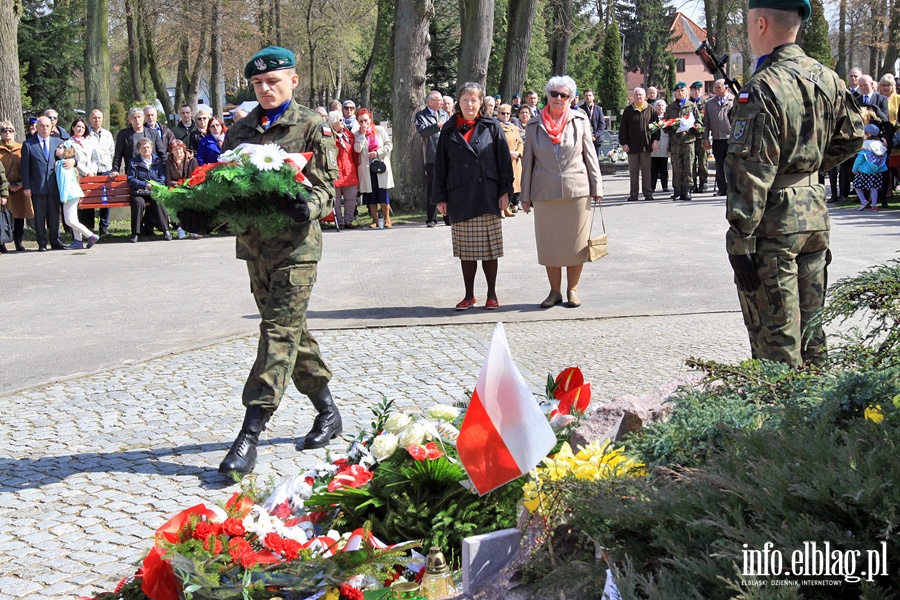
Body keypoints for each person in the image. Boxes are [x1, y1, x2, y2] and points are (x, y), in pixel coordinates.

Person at [217, 46, 341, 476]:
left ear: (293, 80)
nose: (266, 89)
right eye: (257, 84)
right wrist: (207, 210)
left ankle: (249, 433)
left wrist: (305, 207)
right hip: (255, 249)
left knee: (276, 334)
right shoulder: (240, 132)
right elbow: (227, 186)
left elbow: (327, 187)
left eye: (274, 81)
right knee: (292, 335)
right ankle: (328, 410)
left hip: (297, 249)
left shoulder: (312, 126)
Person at [725, 0, 863, 367]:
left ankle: (780, 419)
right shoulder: (827, 78)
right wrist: (809, 170)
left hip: (774, 226)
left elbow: (750, 171)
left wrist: (739, 238)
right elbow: (852, 136)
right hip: (814, 215)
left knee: (777, 343)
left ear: (761, 24)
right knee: (812, 333)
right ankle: (820, 418)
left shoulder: (761, 87)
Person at [521, 75, 603, 309]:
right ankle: (554, 291)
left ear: (571, 98)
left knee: (576, 244)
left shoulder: (580, 120)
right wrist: (524, 195)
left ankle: (572, 289)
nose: (558, 98)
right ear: (547, 96)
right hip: (545, 192)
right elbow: (528, 162)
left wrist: (597, 187)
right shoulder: (534, 124)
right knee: (551, 244)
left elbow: (590, 156)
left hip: (577, 191)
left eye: (563, 95)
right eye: (553, 94)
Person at [432, 81, 513, 310]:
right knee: (466, 251)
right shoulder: (448, 129)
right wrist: (440, 197)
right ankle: (469, 295)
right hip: (460, 195)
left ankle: (492, 294)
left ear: (481, 103)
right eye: (465, 99)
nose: (469, 104)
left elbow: (503, 161)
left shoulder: (491, 126)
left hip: (487, 194)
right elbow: (440, 166)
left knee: (489, 250)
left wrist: (505, 191)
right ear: (458, 102)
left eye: (474, 99)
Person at [21, 116, 70, 251]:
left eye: (47, 126)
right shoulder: (29, 144)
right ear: (36, 127)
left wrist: (72, 161)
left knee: (54, 216)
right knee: (40, 217)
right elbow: (25, 168)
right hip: (37, 187)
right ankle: (42, 243)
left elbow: (69, 158)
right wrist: (27, 187)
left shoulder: (58, 142)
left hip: (54, 185)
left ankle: (55, 241)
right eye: (42, 126)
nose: (45, 128)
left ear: (51, 127)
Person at [354, 108, 394, 228]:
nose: (363, 123)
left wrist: (377, 153)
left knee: (383, 193)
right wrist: (362, 135)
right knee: (370, 194)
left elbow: (388, 145)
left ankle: (387, 219)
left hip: (380, 165)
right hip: (367, 168)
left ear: (370, 119)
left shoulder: (379, 130)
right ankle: (375, 220)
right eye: (360, 121)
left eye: (365, 120)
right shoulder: (357, 134)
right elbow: (357, 149)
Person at [416, 90, 450, 227]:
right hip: (432, 156)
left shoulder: (444, 114)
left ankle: (448, 217)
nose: (442, 103)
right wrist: (437, 126)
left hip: (447, 156)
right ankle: (431, 218)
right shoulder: (421, 115)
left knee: (448, 186)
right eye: (439, 100)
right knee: (432, 187)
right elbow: (423, 131)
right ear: (431, 102)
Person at [55, 141, 98, 250]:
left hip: (69, 194)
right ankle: (78, 241)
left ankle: (90, 235)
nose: (56, 149)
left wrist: (63, 197)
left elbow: (64, 182)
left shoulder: (62, 164)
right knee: (74, 218)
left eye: (59, 147)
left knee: (69, 220)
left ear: (65, 151)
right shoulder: (64, 163)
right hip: (74, 193)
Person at [664, 81, 702, 201]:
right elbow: (665, 124)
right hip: (675, 142)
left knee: (689, 166)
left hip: (688, 141)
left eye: (682, 91)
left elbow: (699, 122)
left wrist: (694, 127)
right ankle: (677, 190)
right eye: (678, 91)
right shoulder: (670, 108)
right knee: (676, 166)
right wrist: (670, 126)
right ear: (675, 93)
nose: (680, 93)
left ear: (686, 92)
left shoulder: (692, 106)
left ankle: (687, 190)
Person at [127, 137, 170, 242]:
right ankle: (135, 233)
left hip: (154, 191)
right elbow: (131, 179)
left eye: (148, 147)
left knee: (158, 201)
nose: (146, 150)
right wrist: (145, 184)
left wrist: (155, 185)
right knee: (138, 203)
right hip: (139, 192)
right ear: (139, 150)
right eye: (143, 148)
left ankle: (165, 230)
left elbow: (162, 177)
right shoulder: (134, 162)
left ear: (152, 148)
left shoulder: (158, 161)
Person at [619, 87, 656, 201]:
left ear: (645, 97)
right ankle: (634, 194)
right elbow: (623, 129)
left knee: (646, 170)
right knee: (633, 171)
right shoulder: (628, 110)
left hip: (646, 144)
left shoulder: (651, 109)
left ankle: (648, 193)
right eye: (636, 95)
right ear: (633, 97)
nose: (639, 97)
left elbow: (656, 127)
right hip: (632, 146)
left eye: (641, 95)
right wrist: (624, 143)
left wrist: (655, 141)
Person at [82, 109, 116, 234]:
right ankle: (89, 228)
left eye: (99, 118)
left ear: (103, 119)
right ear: (90, 119)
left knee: (105, 201)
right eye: (94, 118)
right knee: (89, 201)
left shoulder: (108, 134)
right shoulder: (86, 135)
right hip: (92, 172)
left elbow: (111, 152)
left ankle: (104, 227)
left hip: (106, 170)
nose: (97, 120)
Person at [327, 110, 360, 228]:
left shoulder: (349, 136)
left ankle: (349, 221)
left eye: (343, 120)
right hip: (335, 172)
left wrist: (357, 170)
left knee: (351, 198)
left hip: (349, 171)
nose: (343, 122)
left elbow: (355, 155)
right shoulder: (328, 136)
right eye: (340, 120)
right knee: (335, 199)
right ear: (333, 123)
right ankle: (339, 222)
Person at [0, 121, 30, 251]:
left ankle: (19, 241)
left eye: (10, 130)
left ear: (14, 132)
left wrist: (22, 184)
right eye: (4, 130)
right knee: (3, 216)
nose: (7, 133)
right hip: (3, 187)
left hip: (19, 187)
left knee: (19, 216)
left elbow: (27, 167)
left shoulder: (21, 148)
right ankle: (2, 242)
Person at [112, 107, 166, 174]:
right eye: (134, 118)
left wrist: (165, 168)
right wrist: (115, 169)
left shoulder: (153, 133)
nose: (137, 120)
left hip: (152, 171)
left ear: (143, 118)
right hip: (133, 171)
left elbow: (162, 152)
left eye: (139, 117)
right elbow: (118, 154)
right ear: (130, 120)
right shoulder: (124, 134)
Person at [164, 139, 200, 239]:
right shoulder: (168, 162)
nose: (178, 152)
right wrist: (178, 185)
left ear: (184, 149)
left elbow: (195, 177)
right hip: (175, 188)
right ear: (171, 151)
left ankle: (194, 229)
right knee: (175, 201)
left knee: (192, 201)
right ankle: (180, 228)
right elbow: (168, 180)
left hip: (190, 187)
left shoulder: (192, 160)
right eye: (175, 149)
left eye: (180, 149)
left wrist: (185, 184)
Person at [703, 79, 733, 196]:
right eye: (715, 88)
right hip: (717, 139)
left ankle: (733, 188)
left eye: (719, 87)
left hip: (731, 139)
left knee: (732, 165)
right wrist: (706, 139)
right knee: (719, 165)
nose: (716, 90)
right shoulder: (710, 103)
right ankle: (722, 189)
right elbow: (706, 123)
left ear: (726, 88)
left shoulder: (734, 101)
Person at [852, 124, 888, 211]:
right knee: (874, 187)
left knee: (857, 186)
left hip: (864, 170)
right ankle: (874, 205)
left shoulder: (865, 144)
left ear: (869, 134)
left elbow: (860, 158)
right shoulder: (880, 144)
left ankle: (863, 201)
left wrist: (854, 169)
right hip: (877, 171)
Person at [497, 103, 523, 215]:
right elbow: (496, 143)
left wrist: (518, 152)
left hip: (515, 160)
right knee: (503, 184)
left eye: (508, 113)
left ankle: (508, 207)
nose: (506, 115)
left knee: (514, 185)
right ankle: (501, 208)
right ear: (498, 114)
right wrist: (507, 153)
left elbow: (520, 142)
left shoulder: (513, 127)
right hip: (503, 159)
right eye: (503, 113)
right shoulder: (496, 126)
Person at [689, 81, 710, 193]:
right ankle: (692, 183)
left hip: (702, 135)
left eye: (699, 89)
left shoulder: (706, 103)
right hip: (690, 136)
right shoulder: (687, 104)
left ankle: (703, 182)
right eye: (694, 89)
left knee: (703, 160)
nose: (697, 91)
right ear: (691, 90)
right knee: (691, 160)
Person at [650, 100, 670, 193]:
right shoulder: (652, 118)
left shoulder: (667, 119)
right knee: (653, 168)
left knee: (663, 168)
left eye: (662, 105)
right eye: (658, 105)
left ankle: (665, 186)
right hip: (654, 147)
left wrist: (669, 146)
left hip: (664, 145)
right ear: (655, 107)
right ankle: (652, 186)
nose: (660, 107)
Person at [579, 89, 605, 158]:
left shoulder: (598, 109)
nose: (588, 97)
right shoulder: (580, 109)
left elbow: (602, 125)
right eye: (586, 95)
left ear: (593, 97)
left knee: (596, 162)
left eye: (590, 95)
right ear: (584, 97)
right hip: (584, 141)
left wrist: (595, 136)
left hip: (596, 141)